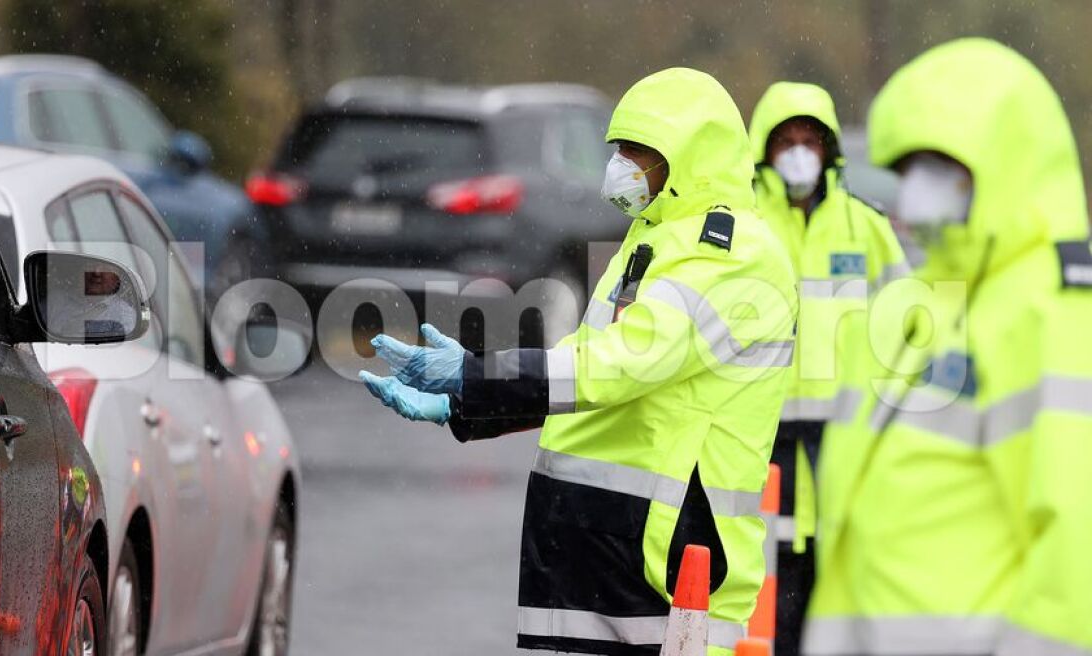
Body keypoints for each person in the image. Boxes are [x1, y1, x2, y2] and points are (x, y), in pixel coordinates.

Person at [360, 67, 798, 656]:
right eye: (620, 150)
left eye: (641, 153)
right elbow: (588, 365)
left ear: (693, 158)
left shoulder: (733, 253)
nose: (623, 166)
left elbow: (622, 365)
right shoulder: (653, 238)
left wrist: (477, 376)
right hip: (597, 546)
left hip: (665, 567)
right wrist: (467, 406)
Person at [803, 38, 1092, 655]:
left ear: (1003, 163)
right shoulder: (919, 307)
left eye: (940, 168)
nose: (915, 194)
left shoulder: (1053, 313)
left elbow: (1075, 554)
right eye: (908, 171)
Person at [744, 82, 907, 656]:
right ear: (763, 151)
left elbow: (907, 330)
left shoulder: (867, 227)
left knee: (832, 581)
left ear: (829, 149)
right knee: (755, 585)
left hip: (843, 442)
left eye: (809, 141)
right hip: (755, 441)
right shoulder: (742, 226)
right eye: (784, 141)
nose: (797, 153)